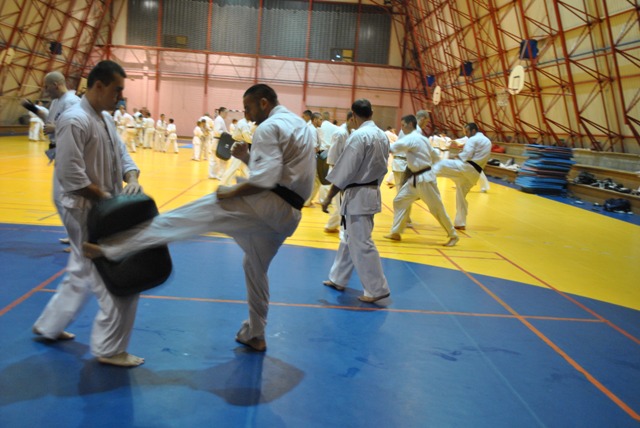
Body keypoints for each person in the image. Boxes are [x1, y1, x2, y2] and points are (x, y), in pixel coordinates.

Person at [82, 84, 316, 352]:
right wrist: (247, 158)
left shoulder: (269, 127)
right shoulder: (300, 126)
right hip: (289, 216)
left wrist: (230, 192)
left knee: (185, 217)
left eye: (249, 108)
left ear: (264, 103)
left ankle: (111, 249)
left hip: (267, 205)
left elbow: (265, 180)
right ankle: (256, 333)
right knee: (254, 266)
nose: (247, 116)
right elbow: (282, 173)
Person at [32, 60, 145, 367]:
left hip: (103, 209)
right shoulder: (75, 120)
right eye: (117, 90)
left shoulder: (104, 118)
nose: (120, 97)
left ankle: (49, 325)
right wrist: (108, 200)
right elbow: (71, 176)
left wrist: (132, 177)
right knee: (114, 280)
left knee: (81, 268)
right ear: (98, 86)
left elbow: (121, 153)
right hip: (86, 211)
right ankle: (110, 348)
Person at [320, 99, 391, 303]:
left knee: (361, 242)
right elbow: (383, 167)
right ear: (371, 112)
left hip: (358, 195)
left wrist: (328, 196)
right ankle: (338, 278)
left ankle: (377, 289)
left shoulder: (359, 136)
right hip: (370, 191)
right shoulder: (382, 136)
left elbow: (345, 170)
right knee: (349, 238)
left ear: (353, 115)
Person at [21, 71, 81, 250]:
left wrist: (57, 127)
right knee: (60, 199)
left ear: (56, 84)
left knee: (66, 199)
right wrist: (32, 108)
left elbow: (80, 125)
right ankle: (74, 235)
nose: (45, 90)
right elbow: (48, 118)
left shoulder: (73, 102)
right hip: (60, 152)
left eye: (47, 86)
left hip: (71, 154)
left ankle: (79, 239)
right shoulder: (56, 102)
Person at [383, 115, 458, 246]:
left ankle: (453, 235)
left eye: (403, 125)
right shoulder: (423, 139)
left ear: (410, 125)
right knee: (399, 201)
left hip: (424, 180)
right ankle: (396, 232)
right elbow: (435, 155)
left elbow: (393, 148)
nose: (402, 128)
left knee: (436, 208)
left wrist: (376, 143)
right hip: (415, 180)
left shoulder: (411, 138)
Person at [433, 122, 492, 230]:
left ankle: (420, 179)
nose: (466, 134)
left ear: (473, 131)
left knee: (442, 164)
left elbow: (466, 155)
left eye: (467, 131)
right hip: (474, 174)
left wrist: (457, 155)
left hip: (466, 168)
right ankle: (460, 222)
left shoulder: (473, 139)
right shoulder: (487, 141)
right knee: (461, 196)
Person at [323, 111, 355, 233]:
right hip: (338, 173)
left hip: (346, 172)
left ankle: (331, 226)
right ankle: (344, 233)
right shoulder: (340, 133)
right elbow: (333, 159)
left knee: (341, 203)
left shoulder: (351, 132)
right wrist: (339, 180)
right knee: (343, 205)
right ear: (351, 119)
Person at [209, 107, 229, 179]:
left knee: (215, 159)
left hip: (218, 141)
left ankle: (214, 174)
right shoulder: (219, 120)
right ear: (221, 112)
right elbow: (218, 131)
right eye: (226, 113)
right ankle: (219, 175)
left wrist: (227, 134)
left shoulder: (220, 119)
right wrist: (227, 135)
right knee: (221, 159)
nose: (227, 114)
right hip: (218, 141)